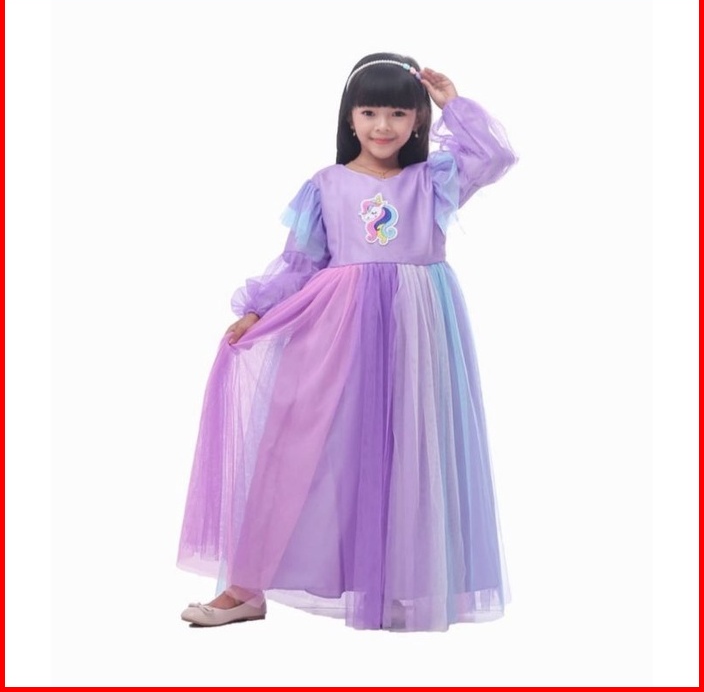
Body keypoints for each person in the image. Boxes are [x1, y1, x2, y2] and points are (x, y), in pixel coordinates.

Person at [177, 52, 517, 632]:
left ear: (417, 120)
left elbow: (495, 156)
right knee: (296, 448)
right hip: (336, 329)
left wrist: (451, 101)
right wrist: (258, 309)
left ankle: (402, 585)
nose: (383, 126)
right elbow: (301, 262)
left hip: (419, 332)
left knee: (411, 450)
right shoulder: (326, 185)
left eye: (398, 113)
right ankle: (246, 586)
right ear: (350, 118)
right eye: (370, 112)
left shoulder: (432, 181)